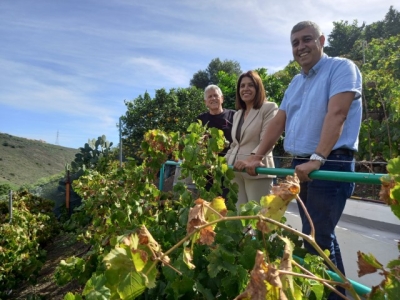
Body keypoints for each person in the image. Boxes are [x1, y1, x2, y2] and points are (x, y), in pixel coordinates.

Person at [242, 21, 362, 299]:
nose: (300, 47)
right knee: (318, 236)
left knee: (317, 239)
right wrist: (256, 155)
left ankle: (334, 296)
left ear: (321, 40)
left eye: (306, 40)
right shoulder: (296, 82)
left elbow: (338, 114)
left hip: (330, 163)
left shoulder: (342, 68)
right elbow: (279, 122)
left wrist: (317, 158)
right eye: (295, 43)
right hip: (303, 165)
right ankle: (342, 295)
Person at [225, 71, 278, 208]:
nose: (245, 89)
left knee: (260, 220)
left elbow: (268, 139)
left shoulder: (269, 108)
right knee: (241, 219)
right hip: (236, 171)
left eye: (250, 85)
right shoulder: (237, 114)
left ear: (258, 88)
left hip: (256, 171)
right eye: (242, 86)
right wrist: (219, 162)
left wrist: (251, 160)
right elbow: (235, 145)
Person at [196, 85, 236, 195]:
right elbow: (195, 142)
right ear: (205, 102)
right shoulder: (201, 119)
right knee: (209, 201)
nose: (213, 98)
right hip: (207, 171)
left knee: (228, 201)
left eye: (215, 95)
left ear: (222, 98)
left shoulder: (234, 115)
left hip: (229, 168)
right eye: (209, 96)